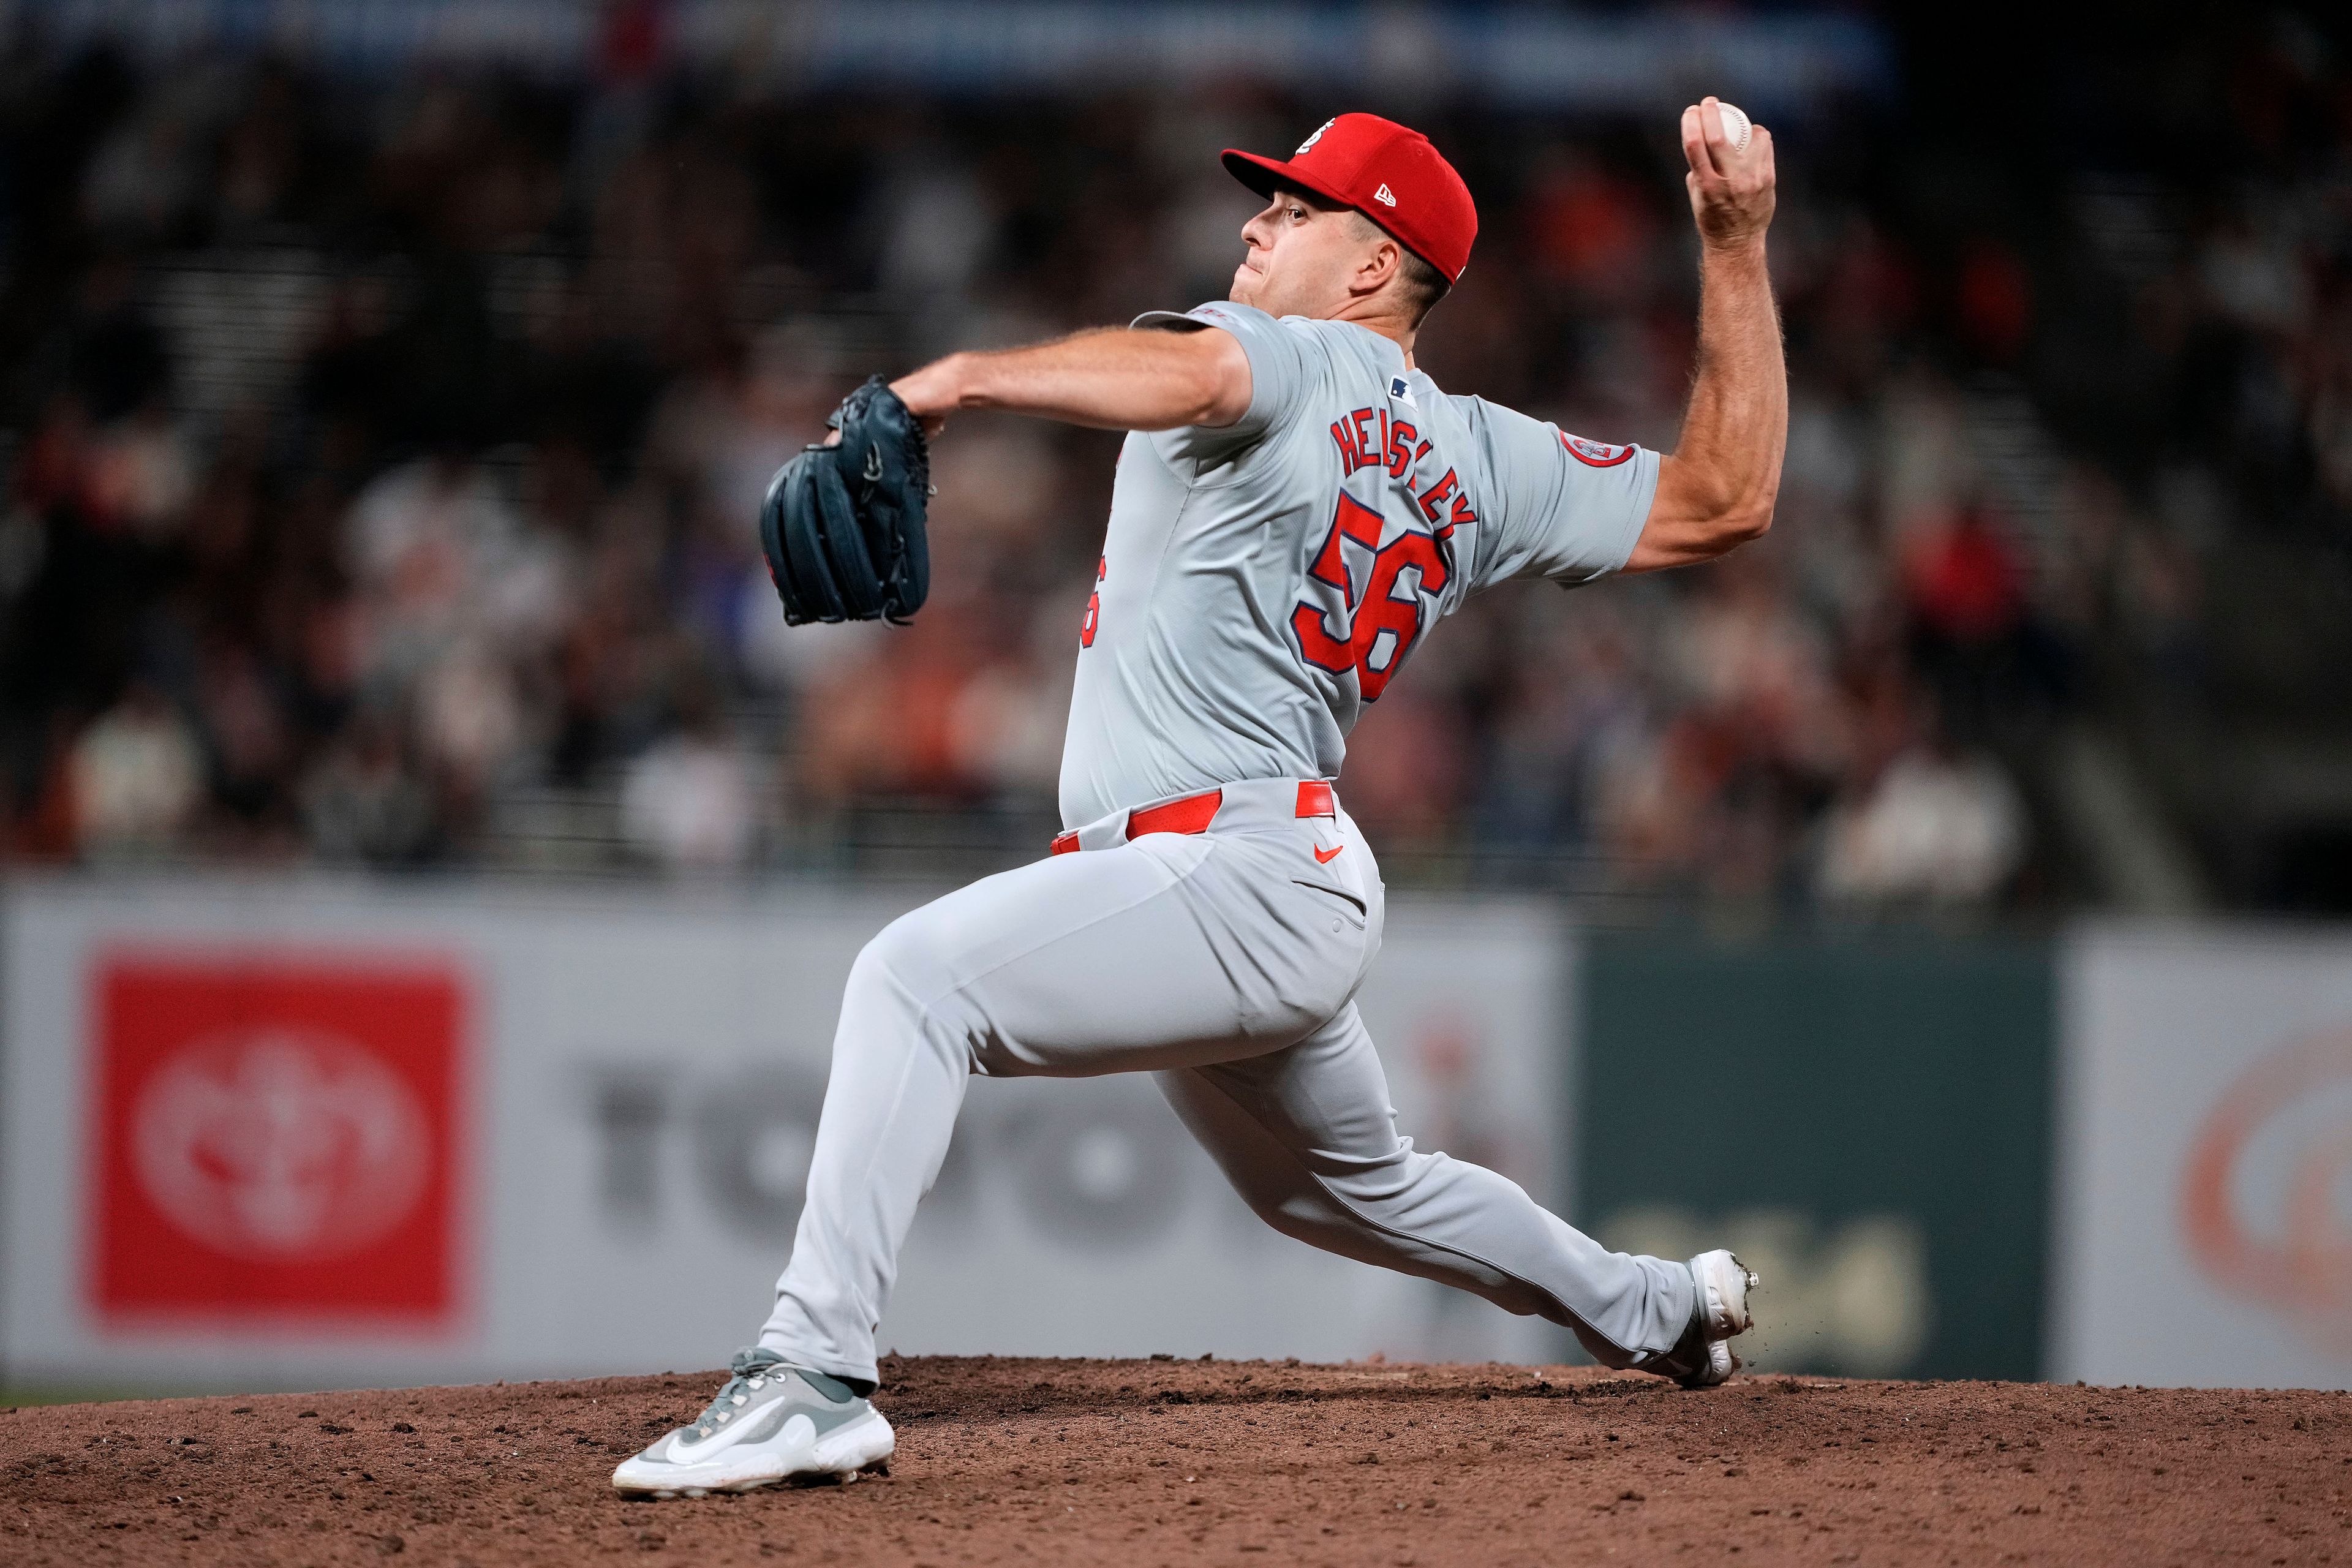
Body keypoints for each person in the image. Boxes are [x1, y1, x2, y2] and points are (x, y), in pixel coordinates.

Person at [614, 100, 1786, 1498]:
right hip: (1277, 873)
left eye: (1297, 211)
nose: (1257, 221)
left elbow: (1205, 377)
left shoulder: (1287, 354)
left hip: (1225, 868)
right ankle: (1663, 1306)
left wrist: (954, 382)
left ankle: (811, 1373)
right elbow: (1727, 494)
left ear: (1372, 268)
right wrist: (1735, 241)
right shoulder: (1484, 452)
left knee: (914, 981)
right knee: (1343, 1185)